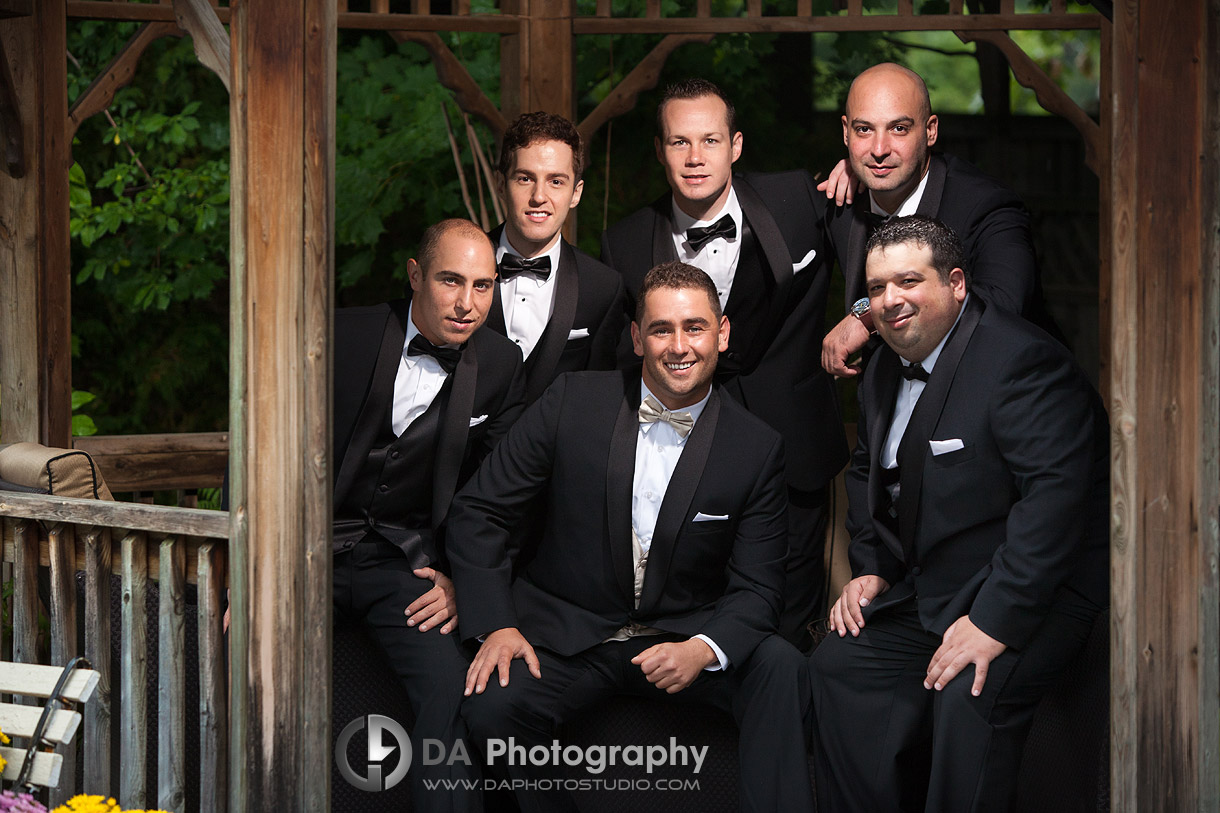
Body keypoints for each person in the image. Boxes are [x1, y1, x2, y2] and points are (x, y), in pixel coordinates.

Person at [447, 262, 814, 813]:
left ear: (723, 333)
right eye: (662, 329)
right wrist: (496, 623)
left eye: (694, 327)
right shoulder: (573, 399)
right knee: (492, 707)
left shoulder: (757, 447)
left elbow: (760, 587)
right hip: (569, 635)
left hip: (683, 633)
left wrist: (703, 648)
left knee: (780, 666)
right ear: (638, 338)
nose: (679, 345)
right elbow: (480, 511)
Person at [808, 216, 1108, 812]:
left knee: (971, 689)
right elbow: (870, 470)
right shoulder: (885, 368)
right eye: (877, 288)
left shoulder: (1022, 364)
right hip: (938, 585)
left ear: (957, 284)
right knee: (837, 666)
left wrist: (994, 622)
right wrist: (872, 566)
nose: (890, 301)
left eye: (909, 282)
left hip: (1037, 588)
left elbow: (1054, 502)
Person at [601, 78, 847, 651]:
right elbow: (619, 357)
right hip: (679, 459)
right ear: (661, 150)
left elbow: (883, 249)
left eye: (709, 140)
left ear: (735, 145)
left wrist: (859, 312)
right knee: (696, 618)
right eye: (679, 142)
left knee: (789, 630)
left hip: (795, 450)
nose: (694, 158)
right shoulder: (626, 243)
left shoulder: (797, 199)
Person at [331, 218, 525, 813]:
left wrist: (463, 583)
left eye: (484, 287)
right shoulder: (344, 333)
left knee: (453, 687)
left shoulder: (499, 362)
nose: (468, 305)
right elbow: (262, 440)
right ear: (415, 275)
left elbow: (496, 497)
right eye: (451, 281)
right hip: (305, 554)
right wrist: (252, 567)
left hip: (406, 564)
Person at [819, 62, 1060, 379]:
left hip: (1001, 397)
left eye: (899, 129)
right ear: (846, 133)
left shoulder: (986, 205)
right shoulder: (841, 200)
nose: (879, 150)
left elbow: (1003, 305)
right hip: (889, 408)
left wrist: (866, 315)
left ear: (930, 130)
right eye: (864, 129)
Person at [487, 112, 625, 404]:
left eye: (556, 182)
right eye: (525, 178)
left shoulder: (603, 288)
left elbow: (598, 400)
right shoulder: (453, 268)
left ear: (576, 193)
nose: (539, 196)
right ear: (501, 184)